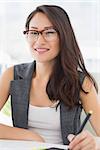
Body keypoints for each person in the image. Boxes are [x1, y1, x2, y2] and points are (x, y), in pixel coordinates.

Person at [0, 4, 100, 150]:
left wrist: (95, 143)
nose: (39, 41)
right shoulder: (12, 75)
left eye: (49, 32)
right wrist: (31, 137)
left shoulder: (81, 82)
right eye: (33, 32)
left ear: (63, 36)